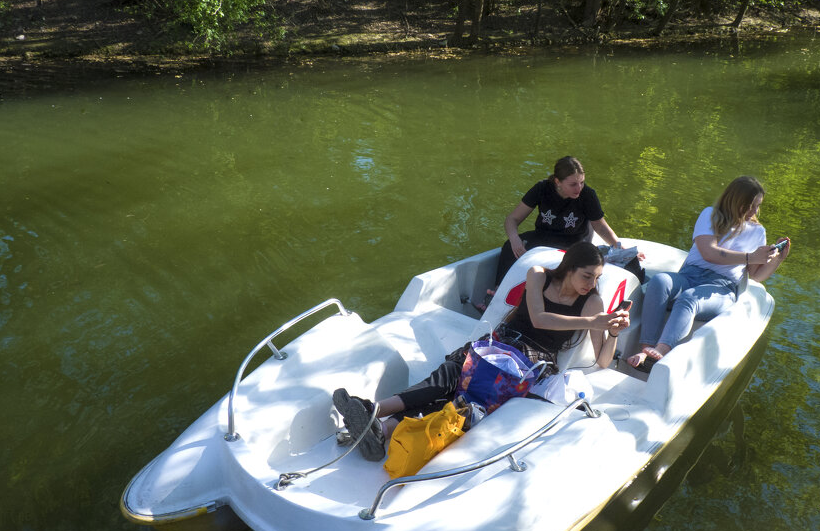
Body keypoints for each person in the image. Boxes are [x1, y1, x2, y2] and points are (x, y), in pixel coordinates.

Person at [334, 241, 630, 460]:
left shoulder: (592, 303)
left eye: (597, 278)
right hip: (497, 343)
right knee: (450, 376)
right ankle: (376, 418)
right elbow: (539, 318)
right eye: (587, 276)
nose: (591, 284)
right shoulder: (538, 275)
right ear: (569, 269)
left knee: (466, 398)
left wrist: (613, 331)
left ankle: (377, 422)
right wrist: (593, 321)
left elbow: (603, 361)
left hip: (528, 364)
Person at [627, 175, 791, 372]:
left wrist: (777, 259)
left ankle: (659, 352)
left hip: (721, 288)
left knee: (689, 298)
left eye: (758, 206)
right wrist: (750, 256)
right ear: (735, 200)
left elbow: (756, 276)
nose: (754, 211)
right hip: (689, 275)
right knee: (660, 281)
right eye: (750, 205)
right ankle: (646, 348)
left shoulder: (758, 232)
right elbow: (709, 253)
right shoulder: (710, 215)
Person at [493, 157, 624, 287]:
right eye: (573, 184)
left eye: (582, 182)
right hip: (542, 237)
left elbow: (600, 227)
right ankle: (497, 291)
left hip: (573, 243)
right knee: (509, 247)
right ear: (558, 182)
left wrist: (621, 248)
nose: (579, 188)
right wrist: (514, 239)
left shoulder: (588, 195)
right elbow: (512, 219)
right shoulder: (542, 188)